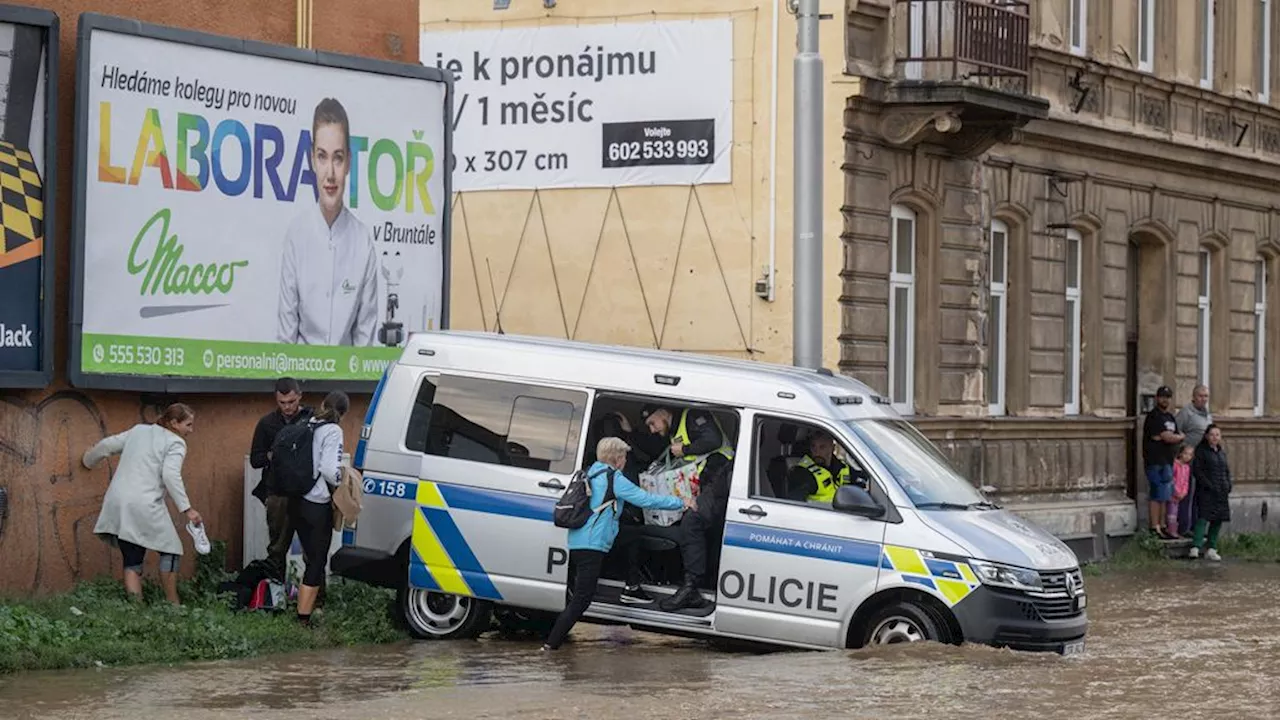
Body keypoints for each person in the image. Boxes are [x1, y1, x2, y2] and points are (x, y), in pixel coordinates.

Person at [542, 437, 693, 651]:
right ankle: (550, 646)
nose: (625, 460)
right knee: (581, 601)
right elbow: (645, 500)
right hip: (591, 546)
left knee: (632, 536)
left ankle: (632, 585)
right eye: (623, 456)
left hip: (578, 541)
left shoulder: (591, 471)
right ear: (618, 458)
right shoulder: (613, 478)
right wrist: (681, 502)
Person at [277, 98, 379, 346]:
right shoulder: (297, 235)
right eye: (322, 157)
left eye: (338, 158)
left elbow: (364, 341)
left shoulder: (363, 241)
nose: (330, 174)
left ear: (348, 163)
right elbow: (285, 336)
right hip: (300, 381)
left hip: (346, 383)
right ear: (312, 159)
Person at [82, 403, 203, 605]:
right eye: (188, 425)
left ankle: (135, 611)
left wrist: (87, 460)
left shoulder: (139, 431)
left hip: (117, 502)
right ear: (174, 423)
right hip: (144, 503)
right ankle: (173, 605)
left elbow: (106, 446)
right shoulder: (176, 443)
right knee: (171, 550)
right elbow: (170, 475)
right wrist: (187, 509)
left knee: (132, 559)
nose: (191, 430)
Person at [640, 405, 735, 612]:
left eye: (652, 423)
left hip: (721, 475)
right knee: (686, 522)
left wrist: (684, 450)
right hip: (706, 482)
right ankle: (684, 580)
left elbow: (713, 440)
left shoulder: (693, 415)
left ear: (663, 412)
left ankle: (691, 588)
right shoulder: (675, 429)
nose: (653, 429)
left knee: (693, 521)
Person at [293, 390, 349, 625]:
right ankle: (303, 618)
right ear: (343, 414)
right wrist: (341, 479)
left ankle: (303, 611)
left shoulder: (306, 424)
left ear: (323, 404)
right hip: (317, 502)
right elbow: (328, 469)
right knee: (317, 561)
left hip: (296, 499)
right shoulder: (333, 430)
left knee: (309, 557)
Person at [249, 377, 314, 578]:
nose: (287, 407)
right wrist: (274, 454)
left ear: (300, 397)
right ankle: (275, 596)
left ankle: (315, 601)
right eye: (282, 403)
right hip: (278, 492)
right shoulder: (267, 423)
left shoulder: (311, 419)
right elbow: (255, 459)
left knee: (312, 550)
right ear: (276, 400)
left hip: (307, 492)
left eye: (292, 402)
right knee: (277, 548)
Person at [1142, 386, 1182, 537]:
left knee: (1166, 495)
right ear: (1157, 398)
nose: (1165, 400)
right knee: (1156, 493)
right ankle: (1154, 526)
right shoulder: (1154, 416)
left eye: (1168, 397)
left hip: (1167, 460)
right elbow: (1167, 437)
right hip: (1154, 460)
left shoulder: (1170, 418)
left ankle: (1163, 525)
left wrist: (1174, 437)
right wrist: (1175, 437)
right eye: (1162, 397)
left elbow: (1173, 436)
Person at [1190, 424, 1232, 562]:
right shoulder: (1201, 451)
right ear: (1207, 436)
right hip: (1206, 491)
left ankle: (1212, 548)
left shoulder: (1221, 452)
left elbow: (1226, 471)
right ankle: (1196, 546)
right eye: (1212, 434)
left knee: (1218, 519)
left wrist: (1228, 485)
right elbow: (1197, 471)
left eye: (1217, 435)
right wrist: (1208, 485)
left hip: (1221, 492)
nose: (1215, 437)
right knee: (1203, 517)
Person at [1175, 385, 1213, 536]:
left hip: (1203, 461)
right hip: (1187, 461)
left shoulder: (1208, 415)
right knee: (1185, 493)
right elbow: (1176, 431)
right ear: (1193, 396)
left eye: (1206, 396)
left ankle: (1197, 527)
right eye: (1200, 396)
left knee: (1200, 495)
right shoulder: (1186, 412)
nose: (1203, 399)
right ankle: (1184, 527)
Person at [787, 431, 855, 504]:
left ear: (833, 448)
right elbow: (795, 504)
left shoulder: (844, 468)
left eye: (822, 447)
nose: (816, 452)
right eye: (813, 446)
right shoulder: (803, 472)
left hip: (844, 513)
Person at [1168, 444, 1193, 538]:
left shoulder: (1187, 467)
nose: (1187, 456)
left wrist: (1184, 492)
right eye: (1185, 453)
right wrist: (1176, 491)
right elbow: (1172, 479)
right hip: (1173, 494)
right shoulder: (1175, 465)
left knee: (1177, 512)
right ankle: (1171, 531)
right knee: (1171, 513)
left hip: (1181, 494)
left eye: (1190, 455)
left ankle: (1177, 531)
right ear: (1180, 453)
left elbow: (1186, 481)